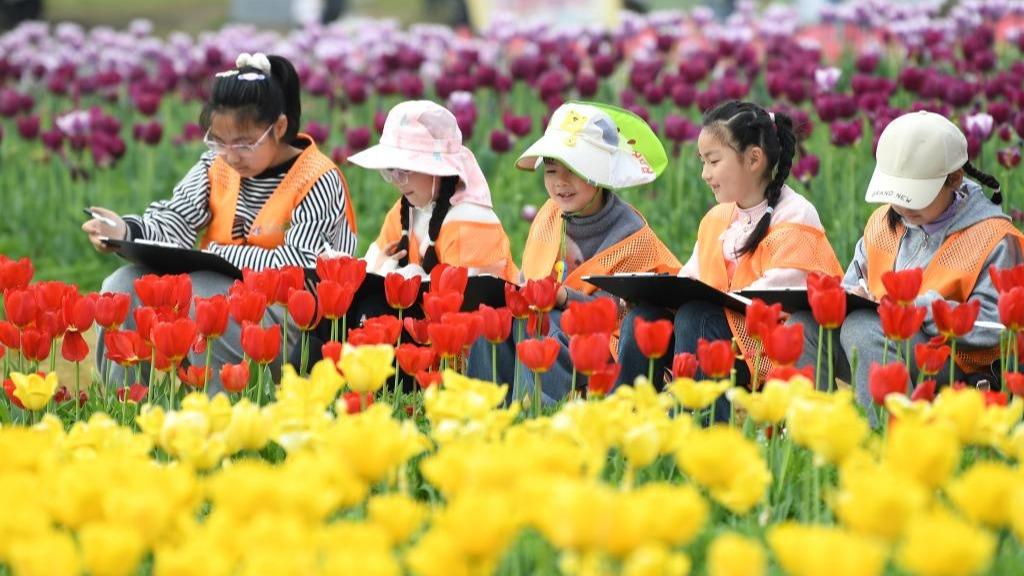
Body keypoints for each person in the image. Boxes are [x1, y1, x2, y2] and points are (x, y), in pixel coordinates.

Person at [82, 52, 356, 392]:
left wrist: (220, 256)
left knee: (207, 299)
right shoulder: (218, 165)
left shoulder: (318, 178)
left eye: (243, 143)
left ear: (280, 127)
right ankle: (124, 407)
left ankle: (222, 418)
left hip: (293, 318)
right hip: (214, 286)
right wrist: (124, 231)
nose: (229, 154)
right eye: (219, 141)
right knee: (122, 287)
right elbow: (177, 218)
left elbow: (302, 266)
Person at [790, 110, 1024, 410]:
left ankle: (885, 440)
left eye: (915, 196)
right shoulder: (883, 223)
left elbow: (996, 328)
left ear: (954, 179)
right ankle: (808, 437)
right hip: (883, 345)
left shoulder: (994, 237)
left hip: (957, 369)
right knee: (804, 326)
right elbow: (854, 282)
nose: (902, 205)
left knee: (862, 326)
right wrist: (851, 296)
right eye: (897, 194)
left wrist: (917, 307)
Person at [617, 100, 842, 410]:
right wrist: (654, 295)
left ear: (753, 159)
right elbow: (690, 279)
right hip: (710, 337)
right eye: (702, 162)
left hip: (762, 355)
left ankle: (698, 429)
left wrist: (706, 299)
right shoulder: (718, 218)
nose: (704, 174)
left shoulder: (795, 216)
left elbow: (780, 302)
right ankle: (623, 419)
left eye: (713, 161)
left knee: (696, 314)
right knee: (643, 319)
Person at [467, 100, 681, 403]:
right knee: (495, 322)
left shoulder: (632, 235)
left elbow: (621, 315)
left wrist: (565, 298)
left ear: (599, 175)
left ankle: (538, 417)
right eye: (552, 171)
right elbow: (531, 279)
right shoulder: (548, 215)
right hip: (550, 322)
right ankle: (484, 412)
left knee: (544, 327)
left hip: (603, 346)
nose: (560, 183)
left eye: (574, 171)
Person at [299, 99, 518, 369]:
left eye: (406, 170)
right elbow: (371, 270)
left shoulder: (471, 221)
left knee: (374, 313)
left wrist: (406, 275)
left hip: (462, 355)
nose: (398, 181)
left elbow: (467, 308)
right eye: (391, 171)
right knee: (328, 314)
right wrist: (386, 265)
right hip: (415, 330)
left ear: (440, 169)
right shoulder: (406, 208)